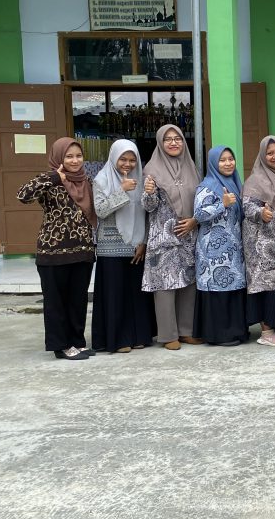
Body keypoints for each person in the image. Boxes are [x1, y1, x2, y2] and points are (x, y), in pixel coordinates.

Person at [17, 137, 97, 360]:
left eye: (78, 156)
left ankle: (77, 342)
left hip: (82, 251)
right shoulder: (48, 179)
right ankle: (61, 346)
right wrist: (53, 178)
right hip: (53, 253)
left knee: (78, 300)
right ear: (59, 158)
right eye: (69, 156)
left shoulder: (86, 181)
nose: (75, 161)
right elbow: (23, 195)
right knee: (56, 302)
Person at [91, 138, 155, 353]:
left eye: (132, 160)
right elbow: (100, 211)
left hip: (136, 245)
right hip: (111, 247)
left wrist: (144, 241)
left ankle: (139, 336)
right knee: (115, 295)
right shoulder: (101, 180)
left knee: (137, 295)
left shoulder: (141, 179)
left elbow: (147, 214)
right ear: (113, 158)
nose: (127, 164)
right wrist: (121, 190)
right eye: (123, 159)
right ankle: (118, 340)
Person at [142, 124, 201, 351]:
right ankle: (168, 335)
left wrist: (195, 220)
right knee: (165, 286)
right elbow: (148, 207)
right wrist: (149, 192)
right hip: (163, 236)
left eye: (178, 138)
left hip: (188, 233)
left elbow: (199, 199)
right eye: (168, 139)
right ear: (160, 142)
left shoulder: (192, 168)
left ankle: (186, 331)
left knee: (188, 282)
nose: (174, 142)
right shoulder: (151, 170)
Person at [193, 145, 248, 346]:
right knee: (217, 289)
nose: (228, 163)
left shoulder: (236, 184)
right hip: (212, 251)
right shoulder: (206, 187)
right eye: (222, 160)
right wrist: (221, 204)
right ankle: (218, 335)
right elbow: (198, 214)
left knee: (233, 288)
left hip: (233, 247)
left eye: (230, 159)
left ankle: (236, 332)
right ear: (214, 164)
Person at [242, 135, 275, 347]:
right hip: (261, 242)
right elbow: (247, 206)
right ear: (263, 156)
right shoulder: (256, 179)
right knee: (266, 285)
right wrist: (260, 213)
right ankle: (267, 331)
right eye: (270, 153)